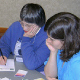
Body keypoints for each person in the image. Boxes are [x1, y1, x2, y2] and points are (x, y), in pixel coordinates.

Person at [0, 3, 50, 72]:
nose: (24, 28)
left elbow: (31, 64)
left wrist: (26, 39)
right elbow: (4, 44)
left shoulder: (47, 38)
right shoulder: (16, 26)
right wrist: (3, 55)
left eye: (28, 25)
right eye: (22, 23)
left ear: (39, 24)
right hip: (15, 68)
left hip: (37, 73)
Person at [44, 12, 80, 80]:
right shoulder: (62, 49)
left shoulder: (77, 64)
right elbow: (49, 76)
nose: (48, 41)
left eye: (51, 39)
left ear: (67, 40)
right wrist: (53, 52)